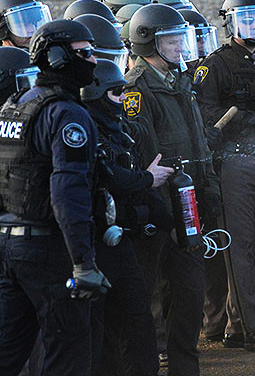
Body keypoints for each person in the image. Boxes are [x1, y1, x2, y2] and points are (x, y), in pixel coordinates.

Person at [0, 19, 107, 375]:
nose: (93, 60)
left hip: (10, 248)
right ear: (59, 58)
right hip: (49, 250)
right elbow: (67, 193)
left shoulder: (15, 105)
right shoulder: (67, 114)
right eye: (85, 52)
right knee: (68, 349)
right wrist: (83, 262)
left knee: (8, 351)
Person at [124, 3, 223, 372]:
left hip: (188, 203)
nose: (181, 46)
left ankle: (185, 366)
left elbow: (199, 145)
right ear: (149, 42)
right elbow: (146, 154)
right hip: (157, 208)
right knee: (147, 295)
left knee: (191, 292)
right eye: (172, 39)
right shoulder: (136, 90)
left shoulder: (182, 82)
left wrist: (209, 192)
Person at [194, 0, 255, 351]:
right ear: (231, 23)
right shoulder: (216, 64)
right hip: (235, 164)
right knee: (241, 246)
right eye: (246, 19)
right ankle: (252, 326)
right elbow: (202, 113)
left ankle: (234, 323)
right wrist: (235, 123)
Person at [82, 60, 172, 376]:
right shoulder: (84, 128)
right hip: (98, 239)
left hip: (122, 237)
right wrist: (147, 179)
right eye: (117, 92)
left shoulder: (115, 128)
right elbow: (109, 176)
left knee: (137, 319)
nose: (124, 98)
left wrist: (167, 221)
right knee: (105, 327)